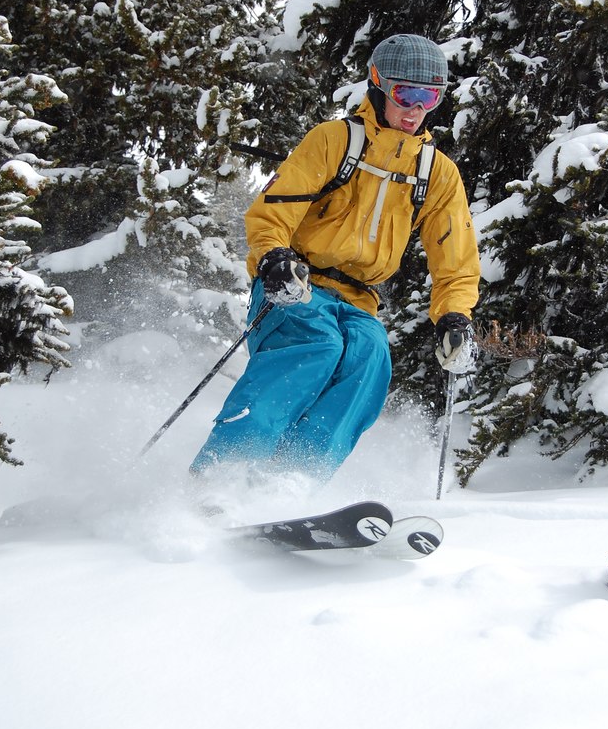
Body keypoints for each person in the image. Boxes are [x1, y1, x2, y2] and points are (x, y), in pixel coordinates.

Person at [190, 33, 480, 481]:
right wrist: (274, 258)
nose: (416, 108)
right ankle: (225, 472)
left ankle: (292, 480)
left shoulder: (436, 172)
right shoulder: (335, 140)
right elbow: (275, 208)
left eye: (430, 97)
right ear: (379, 85)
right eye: (407, 93)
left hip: (359, 299)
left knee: (370, 359)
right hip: (297, 283)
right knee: (315, 345)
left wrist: (454, 316)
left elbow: (456, 259)